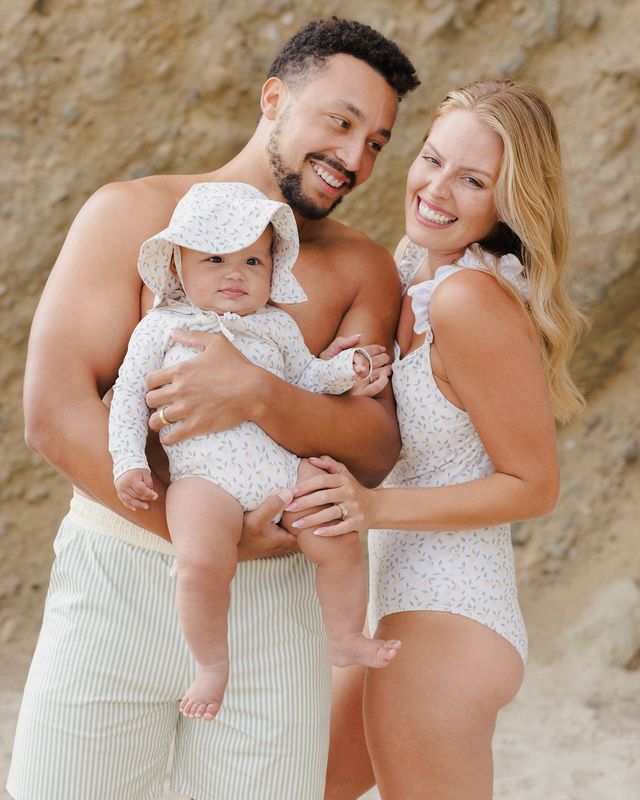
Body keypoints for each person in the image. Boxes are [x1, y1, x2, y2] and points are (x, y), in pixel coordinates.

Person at [8, 16, 419, 800]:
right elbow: (54, 413)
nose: (354, 159)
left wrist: (260, 392)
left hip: (278, 611)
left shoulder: (362, 266)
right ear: (274, 98)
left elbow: (373, 447)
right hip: (121, 576)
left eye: (376, 142)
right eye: (340, 121)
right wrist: (214, 542)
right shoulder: (132, 215)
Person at [288, 79, 585, 800]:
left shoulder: (468, 299)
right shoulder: (411, 265)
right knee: (296, 785)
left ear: (507, 202)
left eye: (473, 180)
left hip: (451, 619)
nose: (437, 190)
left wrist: (372, 508)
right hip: (397, 604)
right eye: (432, 159)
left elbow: (534, 486)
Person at [109, 181, 401, 722]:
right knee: (200, 560)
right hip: (203, 477)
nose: (235, 274)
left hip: (279, 468)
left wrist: (348, 369)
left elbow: (307, 379)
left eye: (252, 261)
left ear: (273, 268)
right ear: (177, 266)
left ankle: (345, 636)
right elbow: (128, 395)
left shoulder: (277, 325)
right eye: (214, 259)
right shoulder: (161, 328)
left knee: (337, 533)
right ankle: (211, 665)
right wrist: (128, 461)